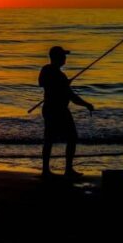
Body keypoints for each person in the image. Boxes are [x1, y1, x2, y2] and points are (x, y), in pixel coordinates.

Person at [38, 46, 94, 178]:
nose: (65, 58)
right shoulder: (58, 75)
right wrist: (87, 104)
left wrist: (62, 83)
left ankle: (46, 170)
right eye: (63, 56)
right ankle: (67, 170)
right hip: (59, 110)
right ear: (57, 58)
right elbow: (72, 97)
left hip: (49, 108)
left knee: (49, 139)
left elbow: (42, 83)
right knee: (71, 137)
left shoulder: (47, 70)